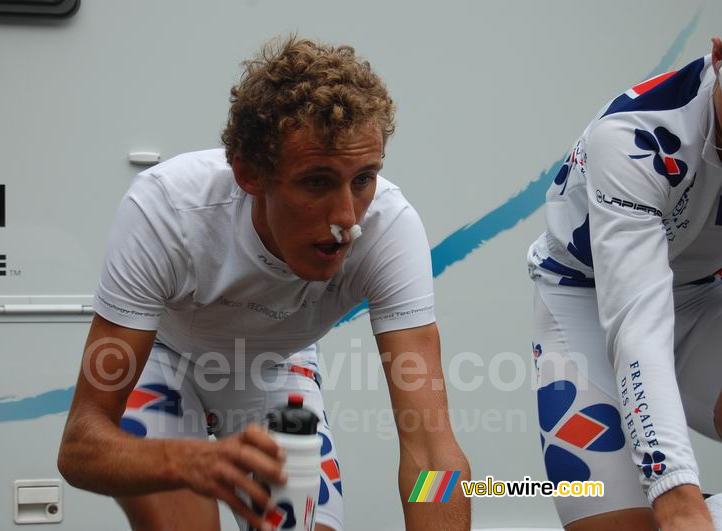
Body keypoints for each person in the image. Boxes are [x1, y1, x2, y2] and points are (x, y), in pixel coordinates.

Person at [57, 36, 470, 531]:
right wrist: (185, 461)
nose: (347, 219)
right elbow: (80, 444)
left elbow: (430, 453)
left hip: (275, 364)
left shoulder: (389, 229)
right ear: (249, 174)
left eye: (364, 178)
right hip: (163, 358)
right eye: (317, 181)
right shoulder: (168, 211)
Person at [527, 10, 722, 531]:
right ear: (718, 59)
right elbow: (637, 324)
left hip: (706, 299)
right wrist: (678, 499)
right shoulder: (633, 138)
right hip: (587, 308)